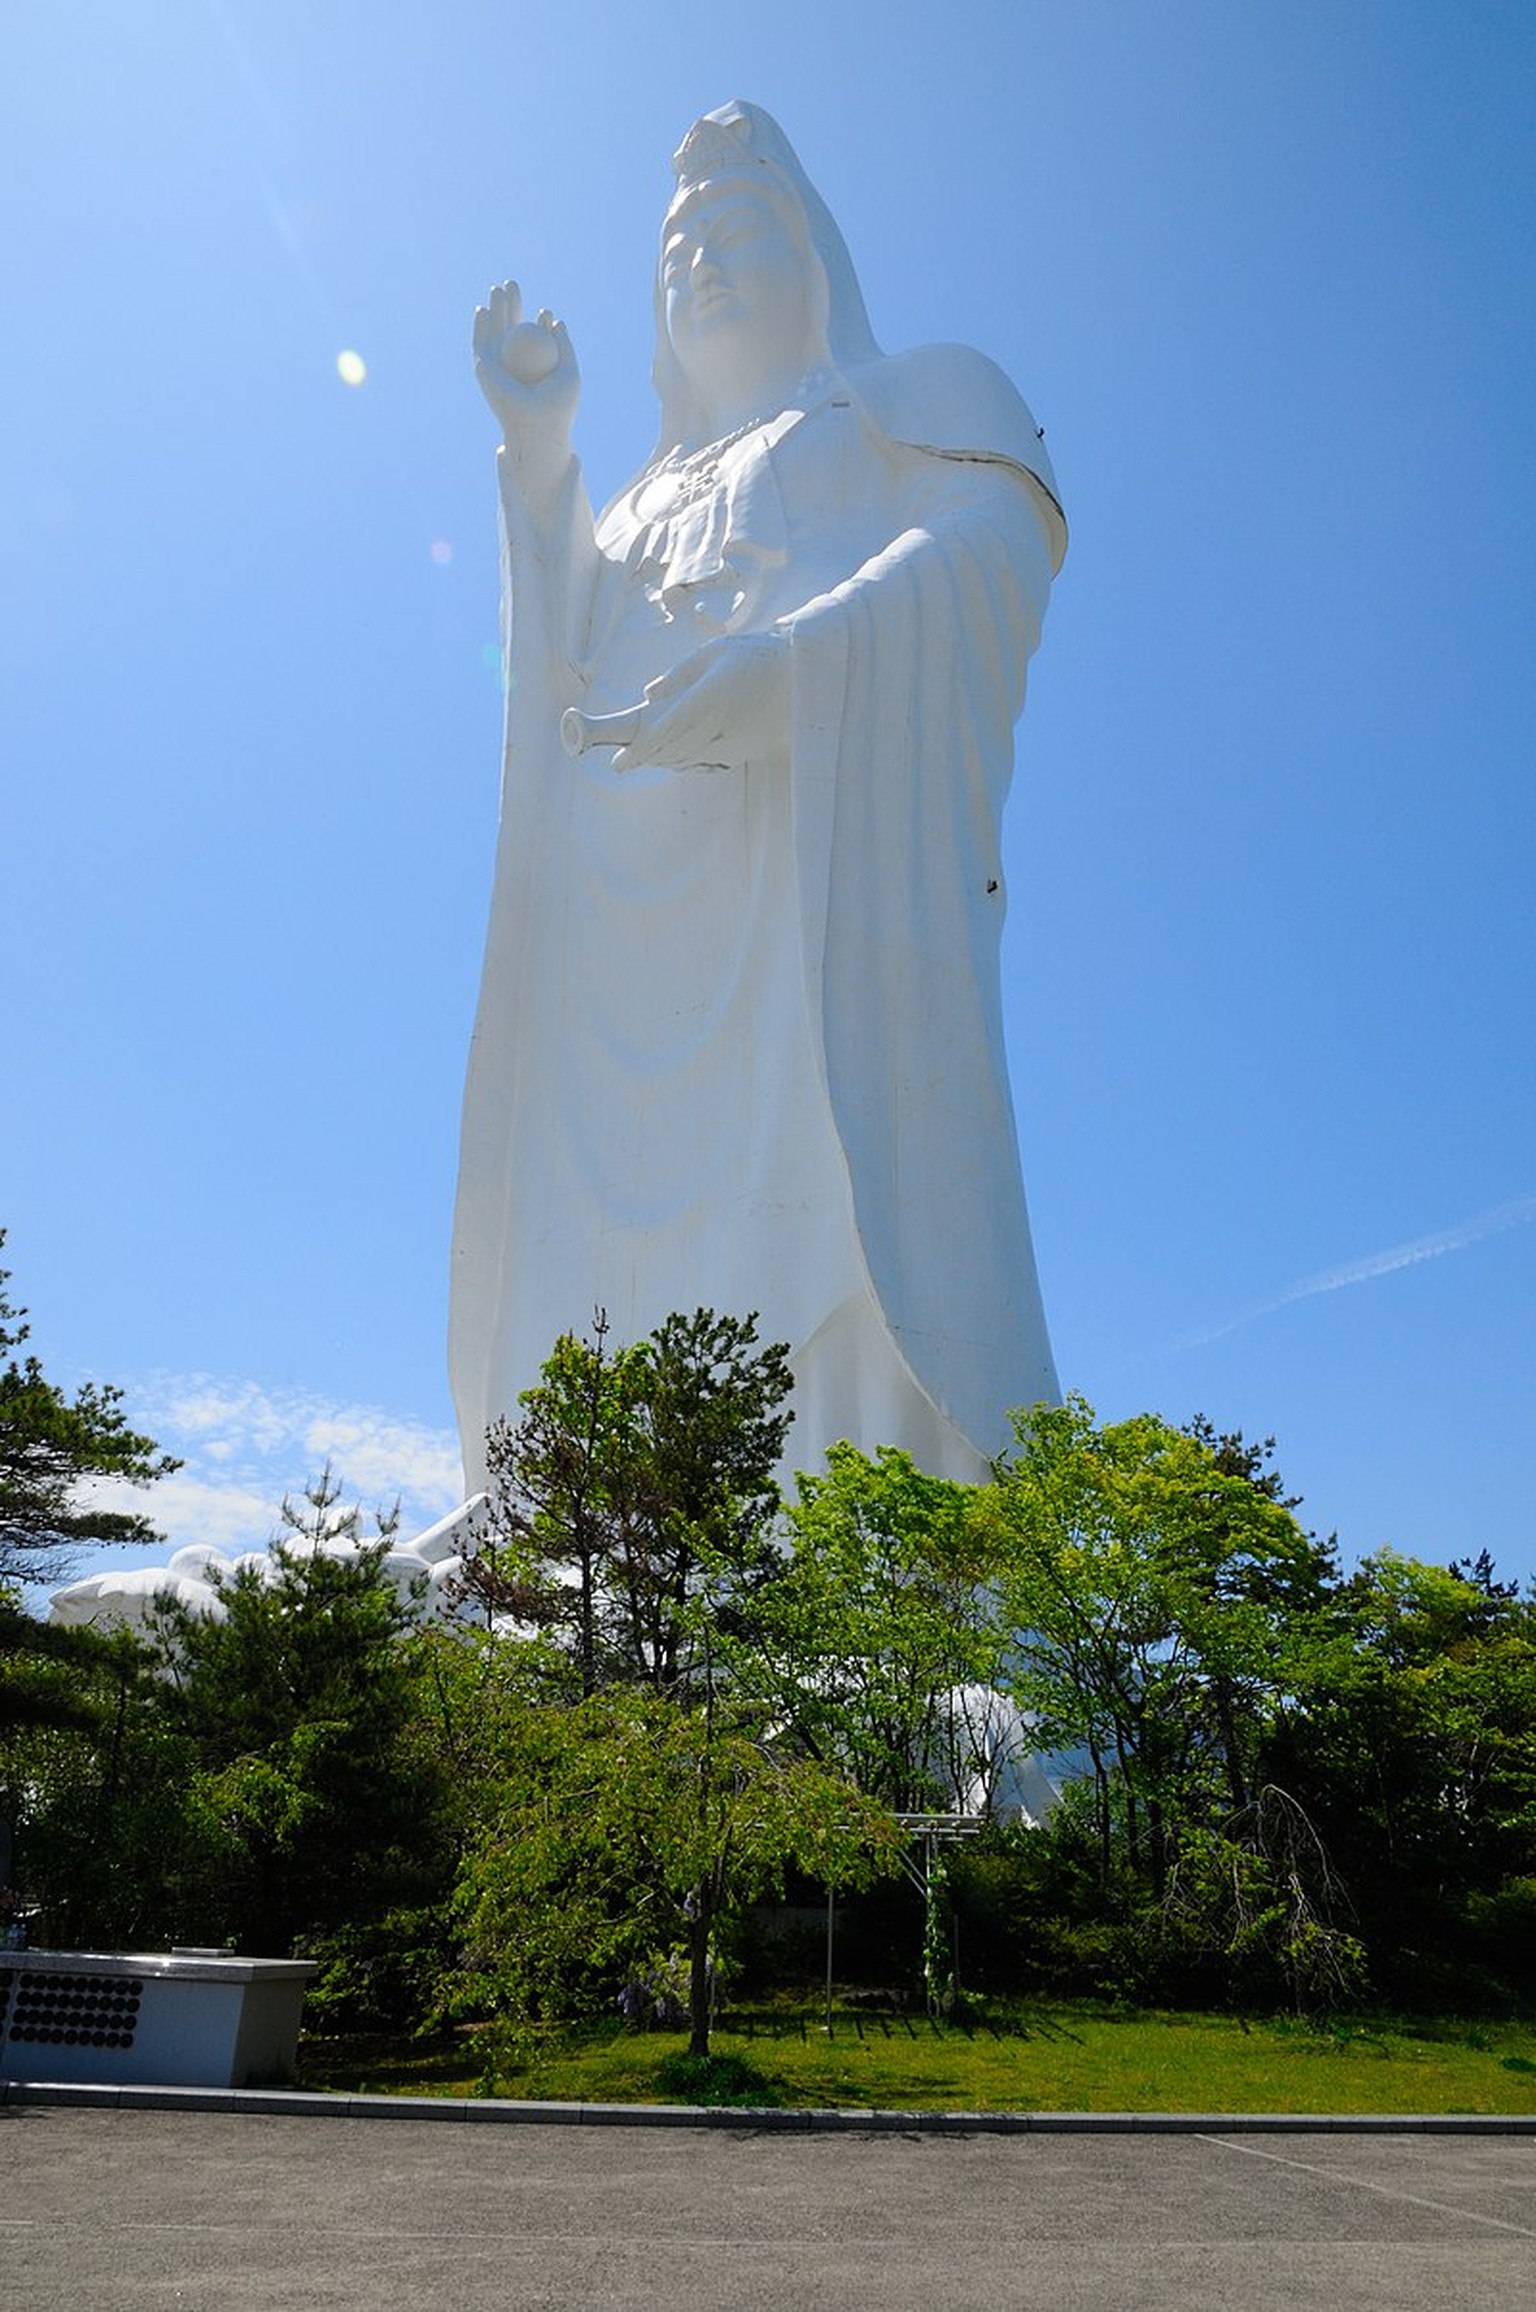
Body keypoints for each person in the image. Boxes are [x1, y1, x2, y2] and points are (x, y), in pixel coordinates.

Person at [450, 100, 1066, 1492]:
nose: (702, 265)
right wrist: (544, 467)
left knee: (818, 1188)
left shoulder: (907, 400)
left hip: (813, 876)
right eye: (678, 249)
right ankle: (576, 1532)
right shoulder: (633, 503)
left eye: (737, 230)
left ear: (816, 257)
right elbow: (551, 684)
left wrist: (796, 669)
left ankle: (859, 1526)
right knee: (599, 1227)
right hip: (624, 933)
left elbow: (1003, 539)